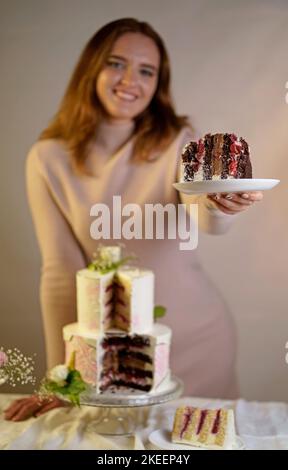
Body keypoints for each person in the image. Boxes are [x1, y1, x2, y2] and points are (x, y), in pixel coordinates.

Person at [5, 18, 263, 421]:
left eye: (147, 71)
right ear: (92, 68)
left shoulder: (178, 140)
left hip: (200, 342)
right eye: (117, 63)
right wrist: (61, 377)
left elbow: (204, 215)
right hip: (117, 358)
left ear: (157, 84)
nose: (131, 80)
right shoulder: (47, 159)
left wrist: (221, 204)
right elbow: (60, 273)